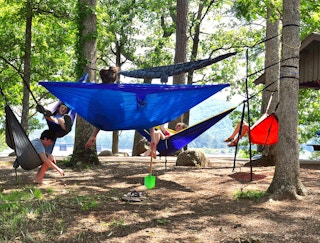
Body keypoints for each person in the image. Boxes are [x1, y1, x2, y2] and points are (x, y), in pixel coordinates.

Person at [85, 66, 119, 148]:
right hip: (117, 118)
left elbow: (92, 104)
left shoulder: (97, 91)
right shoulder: (118, 90)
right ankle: (153, 138)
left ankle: (93, 135)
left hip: (102, 118)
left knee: (102, 112)